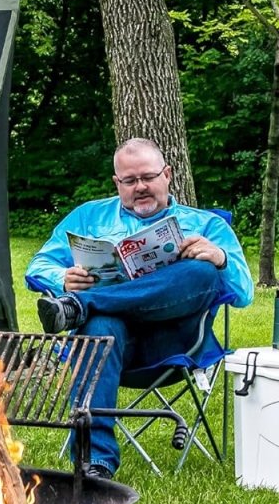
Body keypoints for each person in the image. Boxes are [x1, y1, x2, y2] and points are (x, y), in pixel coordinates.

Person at [25, 137, 254, 478]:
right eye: (130, 181)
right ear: (117, 183)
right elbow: (38, 265)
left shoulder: (206, 225)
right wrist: (63, 278)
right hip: (113, 345)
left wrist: (220, 259)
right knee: (101, 327)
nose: (141, 187)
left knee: (201, 271)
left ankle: (80, 305)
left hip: (174, 342)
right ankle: (94, 462)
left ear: (167, 174)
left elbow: (244, 292)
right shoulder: (89, 217)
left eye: (148, 177)